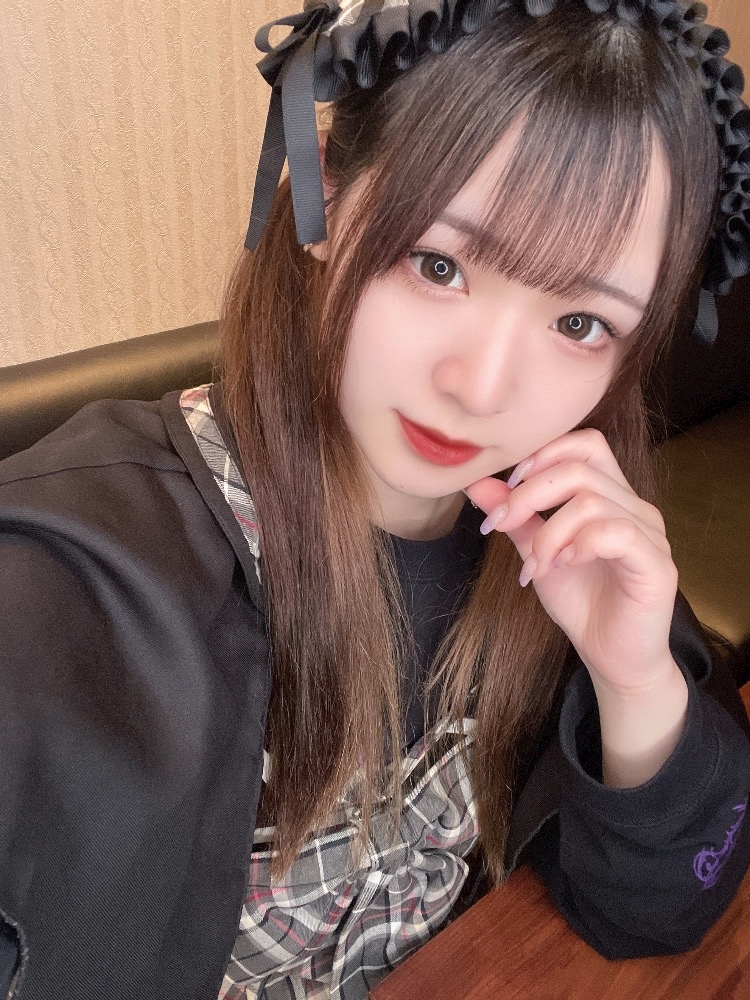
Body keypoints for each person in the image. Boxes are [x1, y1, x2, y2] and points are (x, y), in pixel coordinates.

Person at [1, 0, 750, 998]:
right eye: (439, 265)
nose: (483, 388)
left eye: (579, 322)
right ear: (322, 192)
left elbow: (660, 906)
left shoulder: (560, 529)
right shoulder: (74, 577)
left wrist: (636, 679)